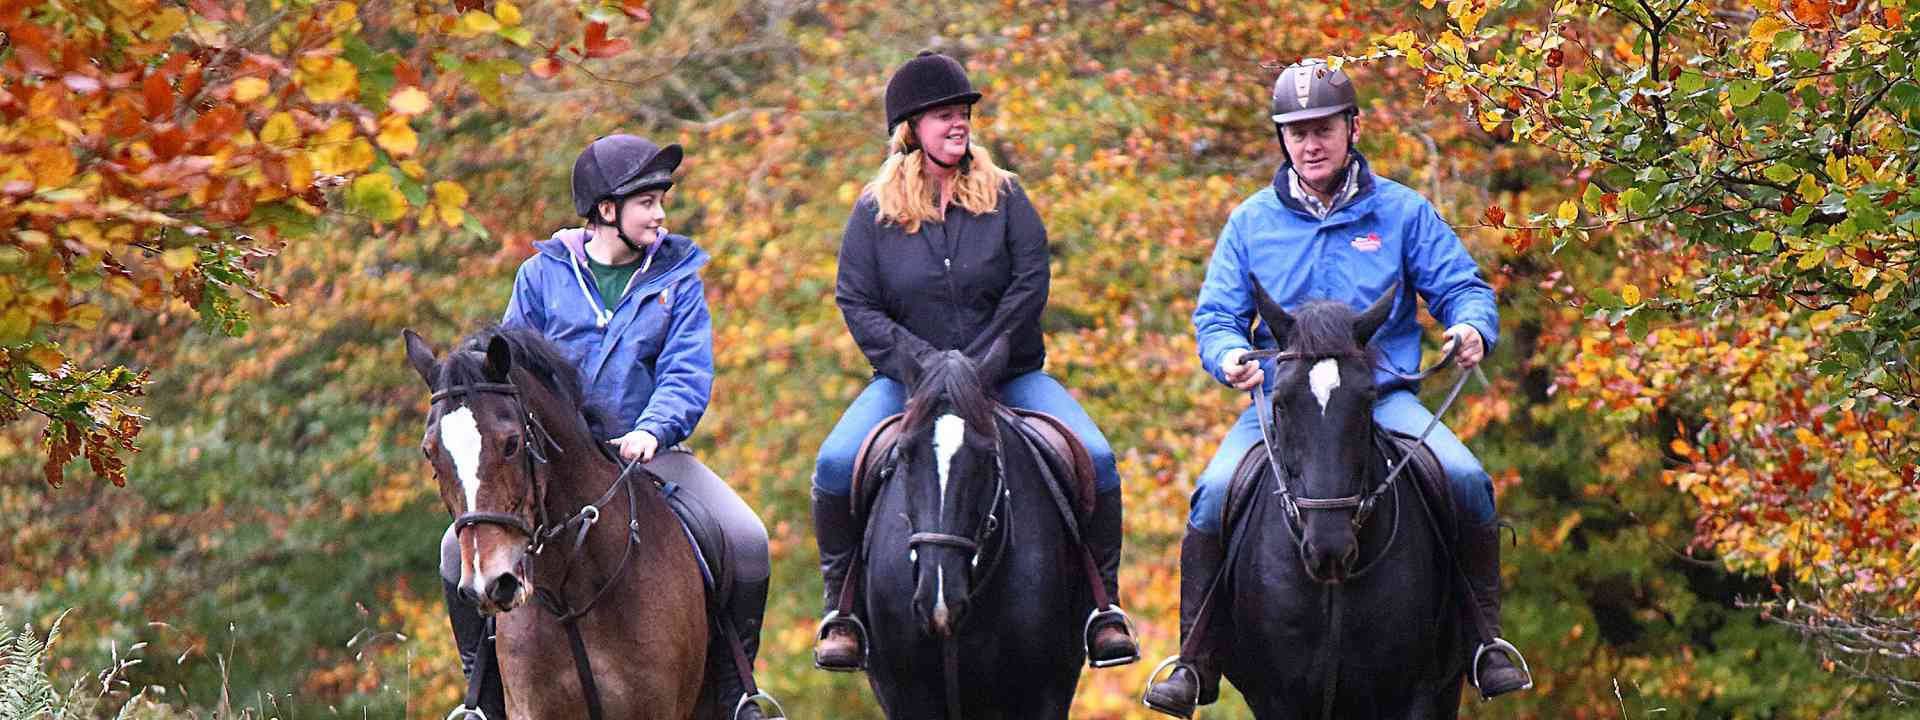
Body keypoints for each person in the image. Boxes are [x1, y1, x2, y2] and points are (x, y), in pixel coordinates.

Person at [1142, 59, 1532, 717]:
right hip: (1284, 406)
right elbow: (1215, 316)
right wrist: (1230, 354)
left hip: (1383, 398)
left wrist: (1471, 328)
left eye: (1322, 128)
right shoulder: (1251, 222)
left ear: (1353, 127)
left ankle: (1482, 643)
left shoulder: (1403, 211)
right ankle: (1195, 660)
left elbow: (1463, 287)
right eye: (1295, 133)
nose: (1309, 144)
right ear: (1282, 140)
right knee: (1210, 497)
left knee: (1466, 480)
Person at [809, 51, 1138, 671]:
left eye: (962, 113)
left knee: (1094, 456)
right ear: (911, 129)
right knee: (832, 465)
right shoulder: (873, 210)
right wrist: (921, 365)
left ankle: (1103, 609)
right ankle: (842, 611)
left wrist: (985, 361)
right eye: (942, 115)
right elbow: (856, 298)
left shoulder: (1006, 195)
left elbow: (1029, 282)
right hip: (907, 385)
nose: (957, 123)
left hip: (1009, 377)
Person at [440, 134, 778, 719]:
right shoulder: (541, 276)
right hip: (553, 462)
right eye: (647, 202)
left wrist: (653, 428)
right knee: (454, 553)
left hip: (650, 455)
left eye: (661, 201)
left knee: (746, 539)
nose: (661, 214)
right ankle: (480, 699)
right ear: (606, 210)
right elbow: (509, 372)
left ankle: (737, 696)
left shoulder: (677, 279)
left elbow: (686, 371)